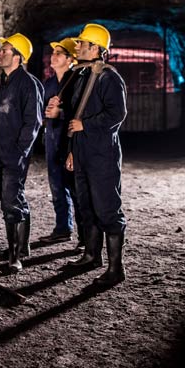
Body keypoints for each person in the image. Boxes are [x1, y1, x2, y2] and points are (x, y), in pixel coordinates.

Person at [66, 23, 128, 286]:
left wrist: (86, 126)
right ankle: (92, 255)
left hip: (102, 154)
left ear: (96, 48)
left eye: (82, 43)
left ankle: (116, 269)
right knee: (87, 206)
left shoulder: (109, 77)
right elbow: (75, 116)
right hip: (81, 152)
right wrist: (71, 150)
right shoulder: (81, 76)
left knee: (107, 209)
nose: (77, 46)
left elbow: (117, 114)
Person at [0, 33, 43, 273]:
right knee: (12, 199)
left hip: (15, 152)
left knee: (10, 201)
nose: (0, 53)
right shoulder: (1, 82)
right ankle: (21, 247)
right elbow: (0, 114)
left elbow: (33, 122)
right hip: (1, 149)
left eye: (5, 50)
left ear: (18, 57)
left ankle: (15, 257)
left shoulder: (28, 84)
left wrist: (20, 151)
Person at [41, 37, 82, 246]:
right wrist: (46, 112)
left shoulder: (76, 81)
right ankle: (62, 228)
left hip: (70, 142)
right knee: (56, 186)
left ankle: (85, 236)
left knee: (76, 188)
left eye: (58, 53)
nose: (53, 56)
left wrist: (61, 112)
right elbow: (42, 112)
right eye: (53, 52)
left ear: (70, 59)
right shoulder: (48, 83)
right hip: (51, 140)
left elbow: (81, 112)